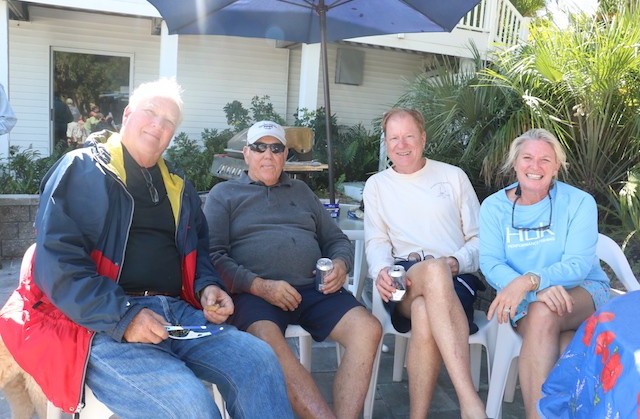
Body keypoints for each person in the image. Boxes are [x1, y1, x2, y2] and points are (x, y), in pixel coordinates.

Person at [0, 79, 293, 419]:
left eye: (169, 121)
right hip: (103, 323)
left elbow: (198, 249)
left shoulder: (178, 185)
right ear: (127, 115)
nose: (158, 125)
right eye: (150, 112)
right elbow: (58, 266)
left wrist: (207, 286)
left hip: (178, 315)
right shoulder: (81, 169)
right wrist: (124, 317)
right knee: (192, 405)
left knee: (259, 360)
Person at [204, 120, 382, 419]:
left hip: (314, 288)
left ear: (285, 155)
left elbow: (336, 239)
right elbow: (213, 255)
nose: (268, 154)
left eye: (276, 148)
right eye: (259, 147)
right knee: (266, 342)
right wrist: (259, 286)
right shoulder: (224, 194)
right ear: (246, 154)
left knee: (368, 329)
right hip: (255, 294)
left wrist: (341, 264)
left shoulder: (301, 190)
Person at [363, 108, 487, 419]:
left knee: (424, 310)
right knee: (432, 271)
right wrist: (381, 271)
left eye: (408, 136)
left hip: (456, 280)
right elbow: (377, 241)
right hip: (404, 279)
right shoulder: (377, 185)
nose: (401, 145)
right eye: (394, 138)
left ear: (423, 138)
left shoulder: (453, 176)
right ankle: (469, 402)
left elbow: (480, 239)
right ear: (386, 142)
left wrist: (456, 262)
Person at [479, 128, 610, 418]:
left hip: (583, 291)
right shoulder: (493, 207)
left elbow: (577, 265)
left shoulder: (579, 202)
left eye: (545, 160)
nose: (535, 166)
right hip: (524, 299)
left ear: (556, 167)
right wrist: (532, 290)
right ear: (515, 163)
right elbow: (490, 262)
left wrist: (530, 282)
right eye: (527, 158)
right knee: (562, 340)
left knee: (542, 312)